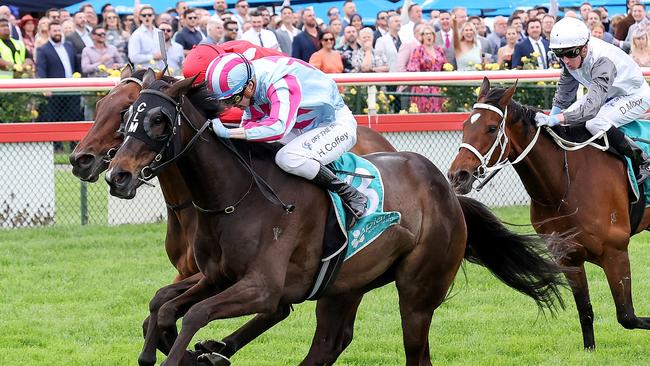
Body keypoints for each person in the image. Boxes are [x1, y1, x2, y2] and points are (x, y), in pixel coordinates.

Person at [205, 53, 368, 223]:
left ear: (249, 86)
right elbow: (250, 126)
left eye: (234, 99)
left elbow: (278, 127)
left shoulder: (279, 81)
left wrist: (229, 133)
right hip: (300, 126)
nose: (232, 106)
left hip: (334, 123)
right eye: (226, 102)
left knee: (288, 158)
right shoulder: (249, 82)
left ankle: (351, 194)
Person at [535, 17, 650, 183]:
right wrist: (552, 116)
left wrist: (556, 118)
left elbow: (591, 110)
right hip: (609, 93)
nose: (565, 60)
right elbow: (565, 92)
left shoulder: (603, 61)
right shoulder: (571, 58)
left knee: (594, 123)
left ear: (583, 49)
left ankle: (642, 159)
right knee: (567, 119)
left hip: (634, 95)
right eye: (559, 54)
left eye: (569, 53)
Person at [406, 24, 446, 112]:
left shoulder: (439, 50)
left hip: (438, 87)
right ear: (422, 36)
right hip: (423, 88)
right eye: (426, 34)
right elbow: (413, 68)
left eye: (431, 33)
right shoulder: (418, 50)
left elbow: (445, 67)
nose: (428, 36)